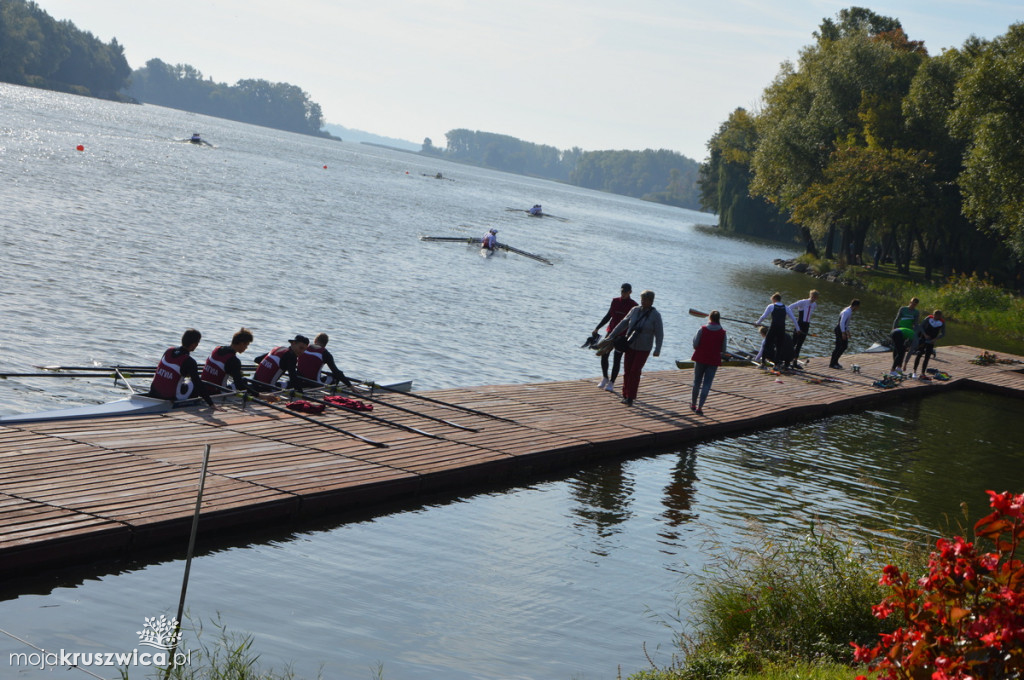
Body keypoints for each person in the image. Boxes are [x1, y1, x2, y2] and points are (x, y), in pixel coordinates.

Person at [607, 289, 663, 406]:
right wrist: (611, 336)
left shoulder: (656, 315)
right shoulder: (634, 310)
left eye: (646, 300)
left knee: (635, 371)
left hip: (644, 347)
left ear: (651, 301)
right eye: (642, 299)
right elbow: (623, 323)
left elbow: (659, 333)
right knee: (627, 370)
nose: (643, 302)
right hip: (630, 345)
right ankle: (625, 394)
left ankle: (631, 397)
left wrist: (657, 349)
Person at [146, 328, 215, 408]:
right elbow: (198, 384)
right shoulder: (189, 361)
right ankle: (192, 407)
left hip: (153, 392)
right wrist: (211, 404)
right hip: (170, 398)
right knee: (194, 383)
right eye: (197, 343)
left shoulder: (169, 351)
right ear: (194, 344)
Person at [593, 283, 639, 393]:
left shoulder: (634, 306)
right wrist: (597, 328)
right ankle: (605, 378)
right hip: (610, 333)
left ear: (630, 292)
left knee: (616, 359)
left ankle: (612, 382)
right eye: (622, 292)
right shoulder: (615, 301)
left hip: (622, 336)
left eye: (625, 292)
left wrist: (630, 337)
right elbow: (608, 316)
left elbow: (633, 324)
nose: (623, 294)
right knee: (603, 354)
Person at [690, 311, 727, 415]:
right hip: (713, 360)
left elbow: (695, 344)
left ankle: (693, 404)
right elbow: (723, 350)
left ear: (710, 318)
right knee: (707, 384)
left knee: (697, 381)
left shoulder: (702, 329)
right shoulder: (723, 332)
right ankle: (700, 408)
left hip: (700, 357)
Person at [200, 328, 254, 394]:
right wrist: (260, 395)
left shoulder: (217, 349)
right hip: (216, 394)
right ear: (242, 344)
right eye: (246, 345)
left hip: (201, 388)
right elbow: (240, 386)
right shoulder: (234, 361)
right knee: (244, 381)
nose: (246, 348)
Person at [755, 293, 799, 370]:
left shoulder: (771, 306)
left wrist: (757, 323)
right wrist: (798, 329)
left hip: (773, 328)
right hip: (782, 328)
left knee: (766, 344)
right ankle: (776, 365)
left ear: (774, 299)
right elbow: (794, 319)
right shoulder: (786, 307)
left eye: (772, 300)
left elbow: (763, 316)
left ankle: (763, 363)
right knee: (779, 346)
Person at [907, 310, 945, 377]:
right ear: (934, 315)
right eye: (935, 316)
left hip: (931, 341)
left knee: (927, 357)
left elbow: (943, 333)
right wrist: (925, 335)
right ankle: (914, 372)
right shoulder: (928, 318)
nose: (937, 317)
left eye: (939, 316)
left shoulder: (942, 322)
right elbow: (921, 326)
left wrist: (935, 339)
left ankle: (923, 373)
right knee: (919, 354)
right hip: (923, 339)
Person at [788, 289, 819, 366]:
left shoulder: (814, 304)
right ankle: (787, 359)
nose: (813, 299)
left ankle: (795, 361)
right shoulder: (803, 302)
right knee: (793, 342)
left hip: (806, 325)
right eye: (812, 297)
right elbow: (790, 307)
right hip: (799, 324)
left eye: (815, 298)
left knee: (800, 344)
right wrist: (792, 318)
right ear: (810, 296)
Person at [889, 297, 920, 374]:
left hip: (907, 331)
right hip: (899, 329)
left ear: (916, 305)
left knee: (903, 349)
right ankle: (895, 365)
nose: (913, 305)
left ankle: (899, 366)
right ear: (910, 302)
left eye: (915, 304)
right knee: (896, 349)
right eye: (912, 303)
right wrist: (893, 328)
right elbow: (896, 319)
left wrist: (916, 332)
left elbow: (915, 323)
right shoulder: (903, 309)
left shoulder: (916, 312)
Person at [829, 299, 860, 369]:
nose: (858, 309)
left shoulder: (849, 311)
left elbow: (846, 324)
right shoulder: (847, 312)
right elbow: (842, 323)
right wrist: (843, 333)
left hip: (842, 329)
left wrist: (848, 332)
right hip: (839, 329)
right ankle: (832, 363)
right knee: (839, 346)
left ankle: (835, 361)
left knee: (844, 346)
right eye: (858, 307)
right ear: (855, 306)